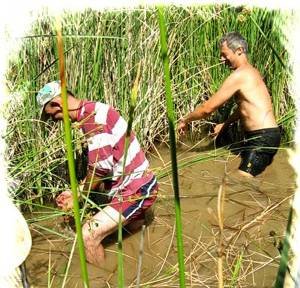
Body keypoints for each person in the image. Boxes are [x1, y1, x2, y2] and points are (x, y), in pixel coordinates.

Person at [36, 81, 158, 266]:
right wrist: (76, 192)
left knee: (88, 235)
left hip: (136, 189)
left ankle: (103, 282)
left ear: (57, 104)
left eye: (50, 115)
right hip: (133, 186)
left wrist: (78, 198)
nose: (54, 120)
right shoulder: (93, 111)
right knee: (133, 231)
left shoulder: (92, 117)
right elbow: (103, 165)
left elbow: (100, 169)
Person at [178, 32, 281, 177]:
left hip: (262, 138)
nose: (221, 59)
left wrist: (185, 119)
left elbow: (207, 109)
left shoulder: (240, 75)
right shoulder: (253, 72)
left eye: (224, 54)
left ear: (239, 50)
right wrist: (225, 124)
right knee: (250, 182)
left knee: (239, 184)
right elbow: (244, 108)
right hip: (265, 136)